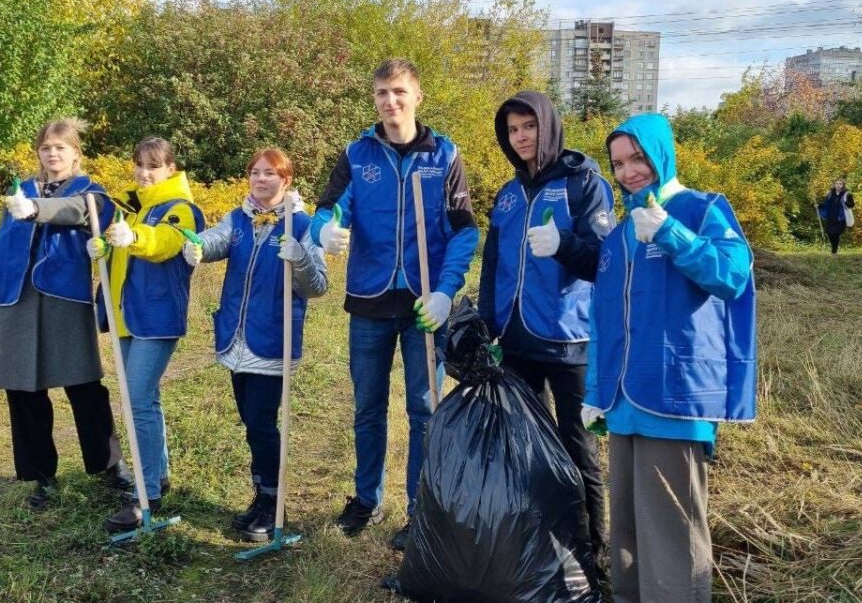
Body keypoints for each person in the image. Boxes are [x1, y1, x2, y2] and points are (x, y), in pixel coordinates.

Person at [583, 113, 756, 603]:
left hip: (676, 398)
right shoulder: (620, 233)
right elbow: (603, 319)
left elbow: (732, 276)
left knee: (672, 534)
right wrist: (595, 391)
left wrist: (671, 233)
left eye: (637, 158)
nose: (629, 172)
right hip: (622, 401)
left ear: (661, 153)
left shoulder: (702, 209)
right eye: (619, 164)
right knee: (629, 533)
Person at [311, 58, 479, 550]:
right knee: (368, 406)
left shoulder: (444, 155)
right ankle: (366, 500)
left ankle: (420, 509)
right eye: (382, 92)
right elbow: (328, 209)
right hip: (369, 302)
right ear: (375, 99)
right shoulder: (357, 153)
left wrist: (446, 291)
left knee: (425, 410)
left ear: (417, 96)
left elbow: (464, 231)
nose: (391, 101)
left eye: (400, 91)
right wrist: (323, 230)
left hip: (425, 305)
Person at [477, 90, 615, 580]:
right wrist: (487, 323)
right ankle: (540, 544)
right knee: (528, 446)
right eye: (512, 130)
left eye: (529, 127)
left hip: (568, 339)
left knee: (578, 449)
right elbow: (493, 263)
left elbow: (605, 262)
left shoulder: (584, 184)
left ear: (549, 126)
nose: (521, 137)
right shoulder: (508, 194)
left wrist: (563, 245)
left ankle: (593, 553)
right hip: (517, 340)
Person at [0, 118, 132, 509]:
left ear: (76, 152)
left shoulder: (91, 191)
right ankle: (41, 477)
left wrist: (34, 209)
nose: (52, 153)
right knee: (23, 392)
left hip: (64, 300)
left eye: (60, 147)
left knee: (84, 388)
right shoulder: (19, 192)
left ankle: (109, 466)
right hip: (15, 302)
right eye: (46, 147)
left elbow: (78, 211)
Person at [182, 147, 328, 542]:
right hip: (236, 338)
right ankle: (261, 494)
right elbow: (215, 241)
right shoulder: (238, 219)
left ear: (286, 180)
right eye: (255, 172)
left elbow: (317, 286)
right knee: (251, 422)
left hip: (272, 339)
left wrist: (299, 257)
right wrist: (197, 247)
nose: (261, 179)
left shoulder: (304, 225)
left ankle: (274, 502)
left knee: (262, 423)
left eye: (269, 173)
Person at [85, 136, 205, 533]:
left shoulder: (180, 208)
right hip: (125, 317)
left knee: (137, 400)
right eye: (139, 164)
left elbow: (165, 244)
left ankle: (146, 494)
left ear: (171, 168)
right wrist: (103, 247)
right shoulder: (131, 206)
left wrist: (134, 238)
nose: (144, 172)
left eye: (153, 166)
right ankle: (159, 475)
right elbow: (121, 258)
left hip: (157, 318)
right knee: (144, 399)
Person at [818, 177, 855, 254]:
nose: (838, 185)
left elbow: (852, 204)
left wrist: (848, 203)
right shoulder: (830, 194)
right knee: (829, 233)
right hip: (831, 217)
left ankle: (834, 251)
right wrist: (819, 206)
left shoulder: (847, 194)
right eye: (836, 184)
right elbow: (826, 204)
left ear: (843, 185)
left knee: (836, 233)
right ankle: (834, 248)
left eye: (840, 184)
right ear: (834, 185)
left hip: (841, 218)